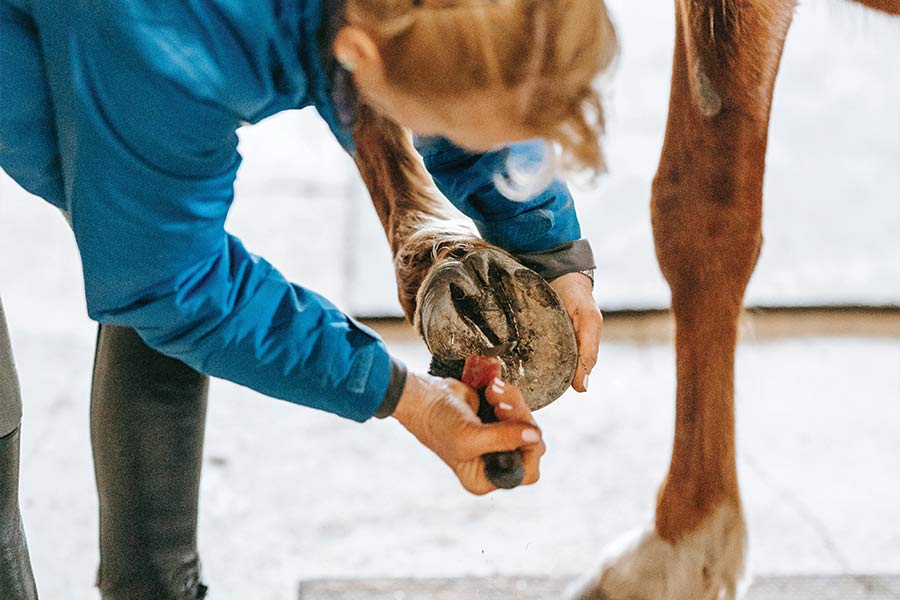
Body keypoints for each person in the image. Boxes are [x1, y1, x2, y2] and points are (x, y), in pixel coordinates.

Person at [0, 0, 616, 597]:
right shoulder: (171, 45)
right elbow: (174, 286)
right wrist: (403, 396)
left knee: (155, 226)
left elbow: (457, 48)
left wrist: (550, 250)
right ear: (358, 53)